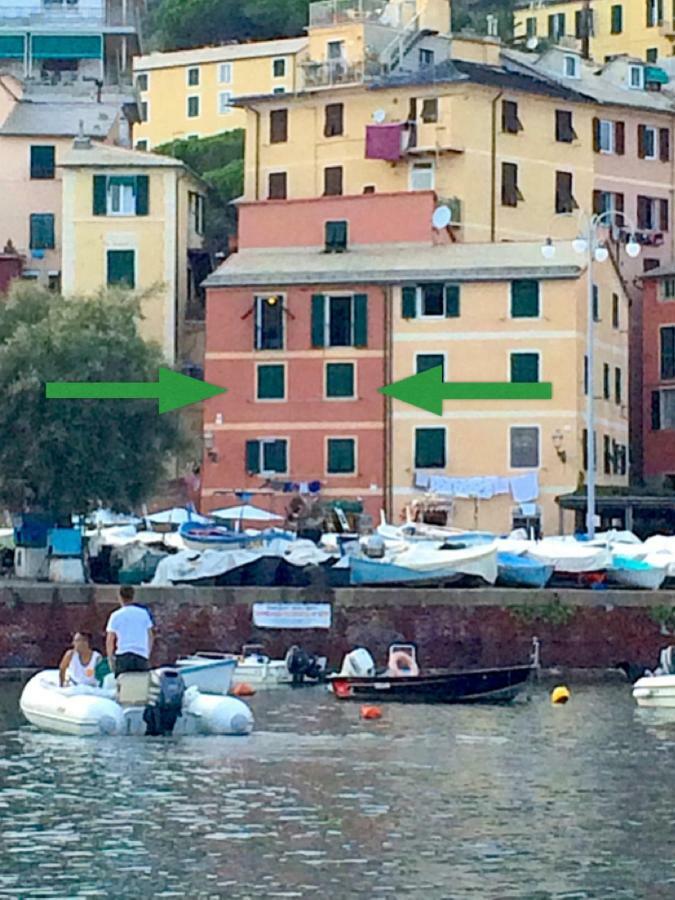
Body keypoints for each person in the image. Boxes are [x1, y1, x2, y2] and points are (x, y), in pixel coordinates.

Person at [106, 585, 154, 676]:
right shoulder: (143, 614)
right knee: (141, 685)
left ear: (119, 597)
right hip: (141, 655)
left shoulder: (115, 615)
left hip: (123, 655)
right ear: (133, 596)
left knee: (124, 685)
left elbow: (110, 640)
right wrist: (147, 654)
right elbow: (150, 636)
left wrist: (110, 658)